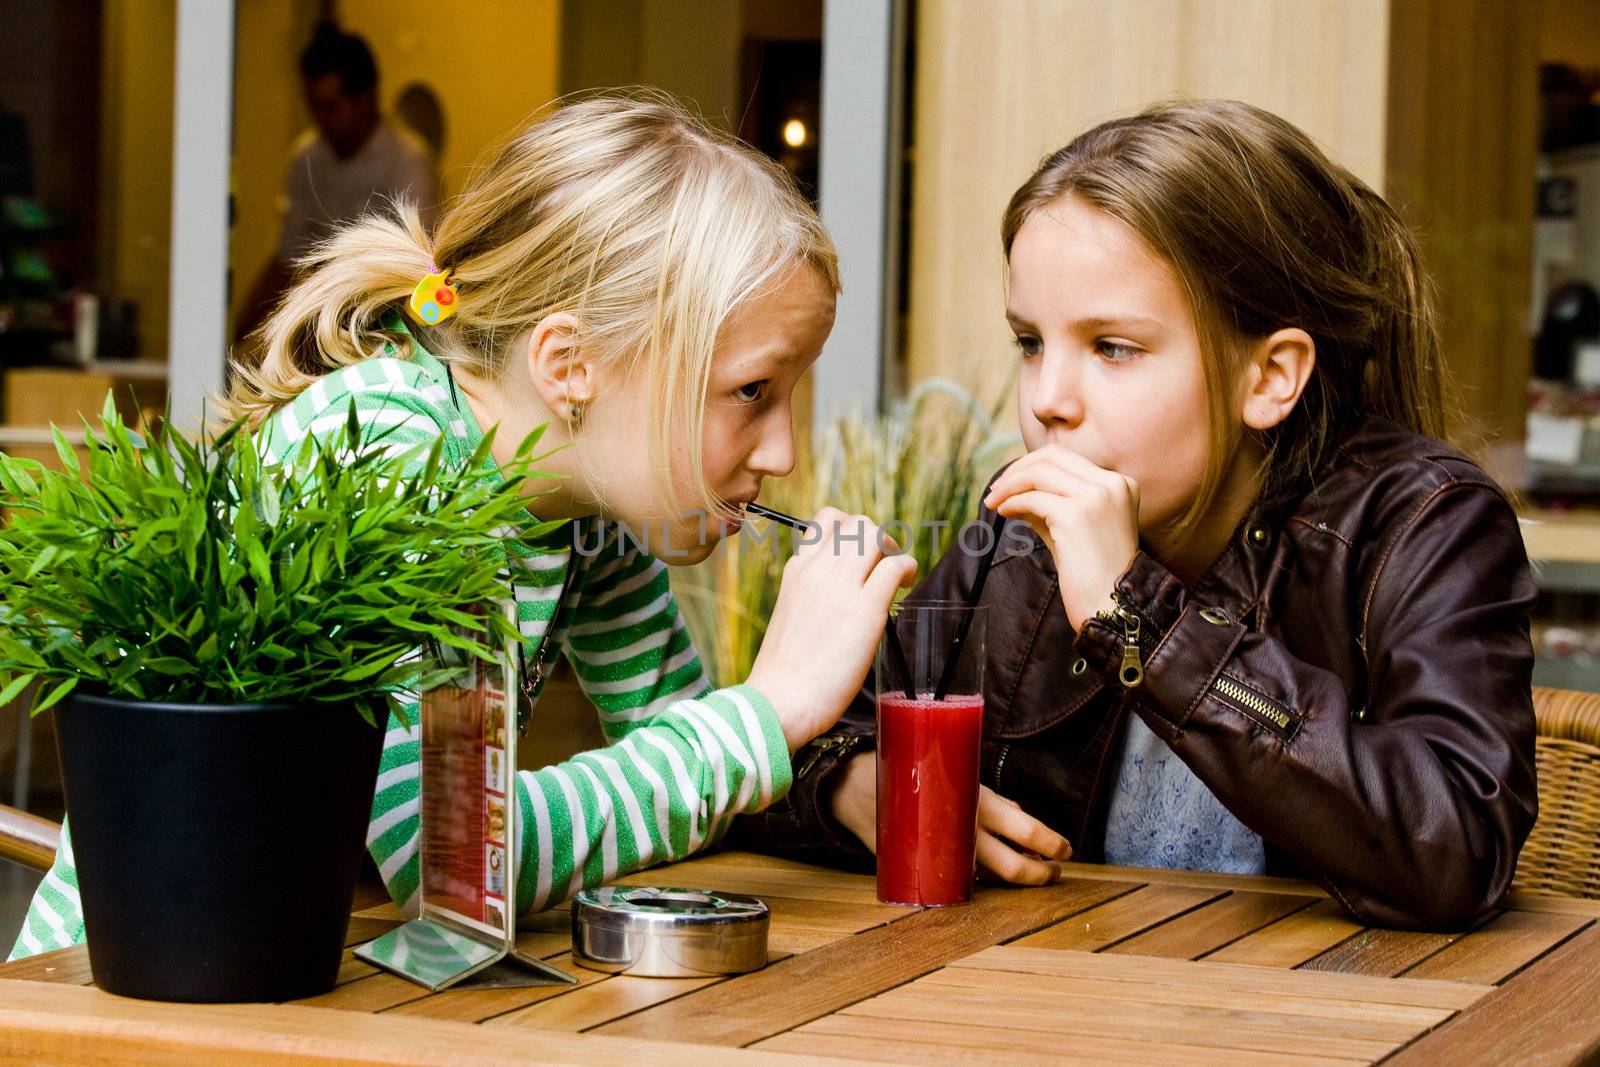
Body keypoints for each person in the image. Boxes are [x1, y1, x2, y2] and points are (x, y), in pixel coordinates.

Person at [9, 93, 915, 959]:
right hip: (134, 994)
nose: (785, 450)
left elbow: (692, 772)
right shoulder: (384, 454)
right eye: (753, 391)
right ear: (570, 365)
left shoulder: (580, 503)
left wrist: (835, 779)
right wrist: (769, 708)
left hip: (321, 977)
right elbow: (454, 862)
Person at [733, 100, 1538, 931]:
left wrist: (1143, 622)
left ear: (1269, 377)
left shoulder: (1425, 523)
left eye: (1112, 348)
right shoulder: (1018, 542)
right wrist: (854, 784)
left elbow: (1456, 851)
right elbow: (776, 752)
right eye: (1030, 343)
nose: (1048, 400)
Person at [233, 25, 440, 344]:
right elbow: (288, 259)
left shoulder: (409, 162)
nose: (319, 118)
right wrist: (239, 329)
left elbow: (420, 270)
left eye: (329, 107)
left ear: (366, 99)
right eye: (313, 106)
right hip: (319, 331)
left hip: (385, 333)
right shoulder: (307, 157)